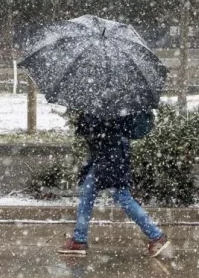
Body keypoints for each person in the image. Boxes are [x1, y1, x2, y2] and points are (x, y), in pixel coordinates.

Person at [58, 110, 171, 258]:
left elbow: (98, 129)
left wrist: (85, 121)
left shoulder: (106, 104)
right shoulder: (113, 101)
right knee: (88, 193)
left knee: (122, 196)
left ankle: (157, 236)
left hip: (110, 158)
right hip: (107, 157)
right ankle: (79, 239)